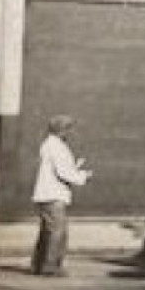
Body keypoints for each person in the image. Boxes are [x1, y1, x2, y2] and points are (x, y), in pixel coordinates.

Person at [31, 114, 92, 276]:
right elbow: (63, 172)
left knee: (47, 231)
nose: (70, 133)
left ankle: (39, 264)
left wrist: (75, 170)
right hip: (54, 195)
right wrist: (82, 176)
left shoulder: (49, 145)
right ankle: (51, 266)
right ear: (62, 130)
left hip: (45, 194)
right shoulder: (57, 147)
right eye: (69, 129)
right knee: (58, 232)